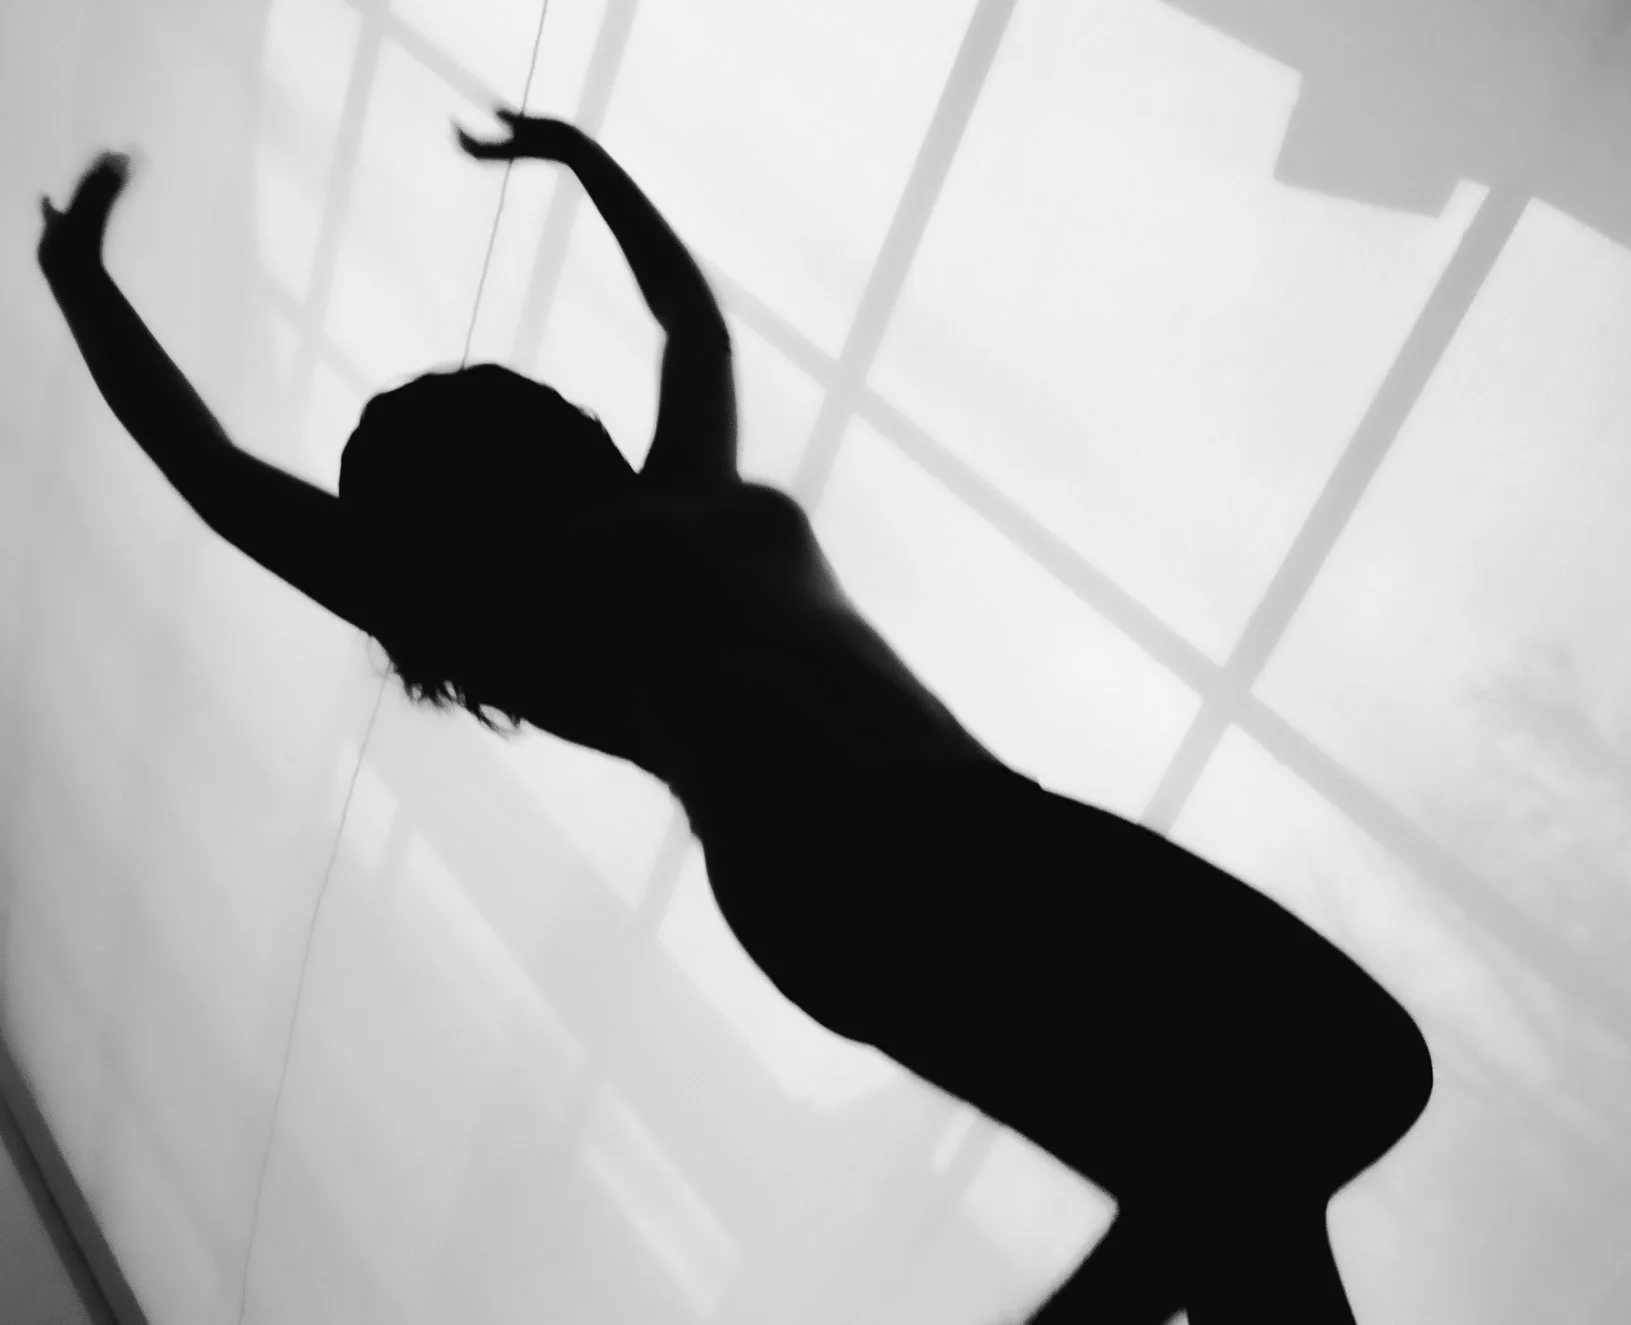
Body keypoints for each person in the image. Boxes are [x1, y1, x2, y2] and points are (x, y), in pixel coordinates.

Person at [36, 109, 1433, 1323]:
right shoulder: (510, 600)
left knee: (1237, 1188)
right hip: (852, 863)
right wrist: (80, 278)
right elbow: (218, 479)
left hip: (967, 825)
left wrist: (579, 159)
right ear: (479, 475)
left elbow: (687, 324)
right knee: (1341, 1075)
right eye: (508, 407)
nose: (552, 401)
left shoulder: (679, 490)